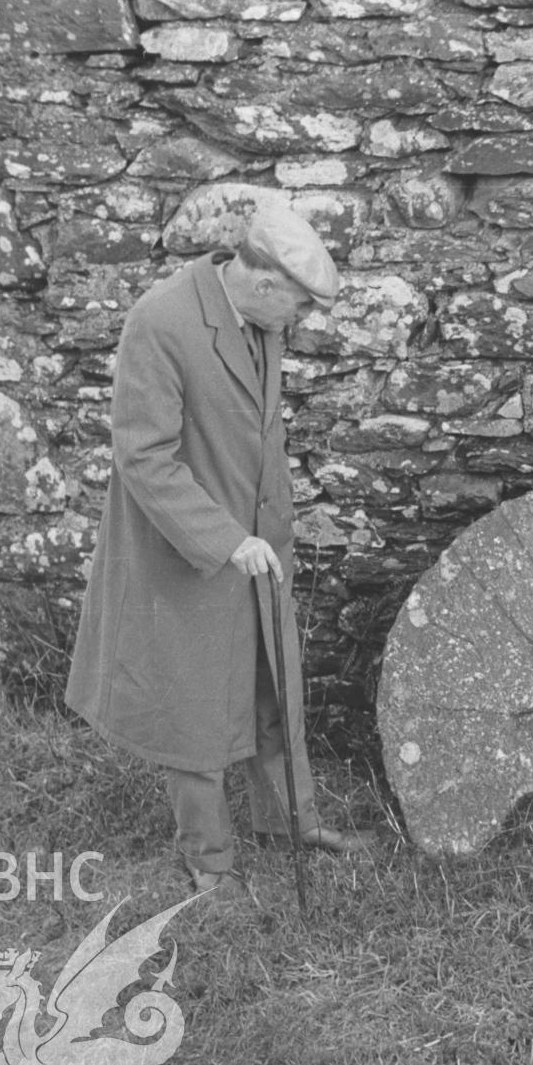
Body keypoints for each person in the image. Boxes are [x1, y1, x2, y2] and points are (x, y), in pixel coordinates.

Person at [65, 204, 369, 898]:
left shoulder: (257, 320)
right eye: (295, 305)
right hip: (188, 551)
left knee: (270, 685)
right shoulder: (162, 320)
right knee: (194, 707)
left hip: (260, 544)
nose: (297, 322)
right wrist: (226, 539)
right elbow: (143, 457)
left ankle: (290, 821)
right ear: (261, 281)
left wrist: (269, 527)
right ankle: (209, 860)